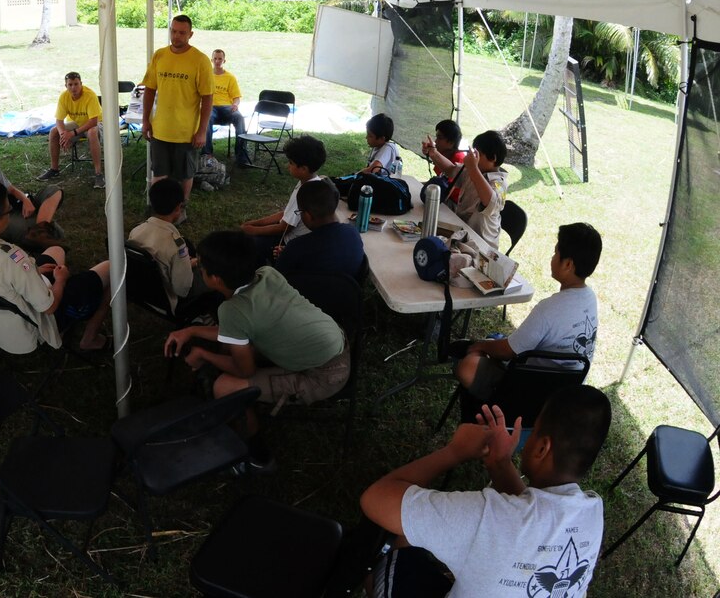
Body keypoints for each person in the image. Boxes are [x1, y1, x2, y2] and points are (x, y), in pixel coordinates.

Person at [360, 388, 612, 598]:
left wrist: (455, 451)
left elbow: (375, 499)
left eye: (533, 432)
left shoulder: (490, 518)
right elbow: (532, 517)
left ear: (542, 448)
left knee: (400, 541)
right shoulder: (591, 514)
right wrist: (499, 462)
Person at [163, 231, 349, 472]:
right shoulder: (267, 274)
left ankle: (256, 455)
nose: (199, 268)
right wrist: (193, 331)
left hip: (324, 374)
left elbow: (245, 370)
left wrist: (203, 354)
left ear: (216, 279)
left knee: (225, 387)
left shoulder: (233, 310)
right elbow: (239, 328)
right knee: (232, 347)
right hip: (335, 339)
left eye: (202, 267)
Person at [0, 181, 111, 355]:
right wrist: (61, 280)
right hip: (34, 323)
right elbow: (49, 307)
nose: (10, 213)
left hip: (0, 319)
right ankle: (90, 338)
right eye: (8, 210)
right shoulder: (12, 259)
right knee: (111, 268)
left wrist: (35, 271)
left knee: (56, 250)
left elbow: (0, 277)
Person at [455, 222, 602, 401]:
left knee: (468, 365)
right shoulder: (590, 299)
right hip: (564, 395)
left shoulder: (548, 309)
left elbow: (509, 351)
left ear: (568, 264)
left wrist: (479, 345)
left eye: (556, 253)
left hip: (527, 390)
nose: (553, 257)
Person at [141, 15, 214, 206]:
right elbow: (149, 89)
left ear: (190, 34)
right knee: (159, 173)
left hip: (186, 132)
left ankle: (181, 208)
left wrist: (202, 131)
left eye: (182, 33)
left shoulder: (200, 60)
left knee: (184, 174)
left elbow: (207, 97)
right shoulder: (160, 55)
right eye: (173, 31)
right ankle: (159, 209)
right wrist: (146, 120)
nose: (177, 36)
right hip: (160, 129)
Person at [0, 122, 64, 249]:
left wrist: (25, 200)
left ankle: (39, 231)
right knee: (57, 232)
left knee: (53, 191)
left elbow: (10, 188)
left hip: (11, 206)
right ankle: (40, 231)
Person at [127, 178, 220, 319]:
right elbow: (183, 288)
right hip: (168, 298)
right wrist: (192, 264)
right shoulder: (176, 244)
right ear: (178, 208)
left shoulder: (136, 231)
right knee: (218, 275)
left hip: (144, 290)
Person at [240, 135, 329, 260]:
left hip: (287, 244)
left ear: (303, 169)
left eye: (291, 163)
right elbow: (286, 214)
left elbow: (284, 228)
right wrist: (255, 224)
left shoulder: (305, 192)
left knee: (248, 245)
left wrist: (253, 230)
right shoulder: (309, 181)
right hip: (287, 235)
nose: (288, 166)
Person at [426, 129, 508, 246]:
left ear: (493, 158)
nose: (474, 157)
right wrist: (434, 153)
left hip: (481, 243)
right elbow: (451, 170)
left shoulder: (499, 183)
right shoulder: (474, 169)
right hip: (461, 231)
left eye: (478, 154)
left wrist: (473, 168)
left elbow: (490, 202)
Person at [274, 179, 365, 280]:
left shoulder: (296, 247)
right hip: (347, 293)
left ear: (308, 216)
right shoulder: (353, 233)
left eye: (299, 212)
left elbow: (278, 281)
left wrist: (285, 257)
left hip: (306, 294)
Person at [37, 71, 105, 189]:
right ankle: (54, 169)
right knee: (54, 131)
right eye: (70, 85)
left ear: (81, 84)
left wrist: (72, 134)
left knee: (92, 132)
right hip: (77, 123)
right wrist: (63, 135)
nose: (73, 87)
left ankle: (98, 174)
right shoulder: (64, 96)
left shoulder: (90, 95)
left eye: (76, 84)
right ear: (66, 86)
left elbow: (93, 121)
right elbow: (59, 120)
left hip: (97, 123)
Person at [202, 49, 250, 166]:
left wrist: (235, 104)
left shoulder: (230, 77)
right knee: (206, 118)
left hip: (226, 107)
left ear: (224, 60)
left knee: (239, 117)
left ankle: (241, 155)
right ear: (211, 60)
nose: (217, 61)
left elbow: (236, 97)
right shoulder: (206, 76)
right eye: (215, 58)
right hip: (211, 106)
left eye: (220, 59)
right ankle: (207, 154)